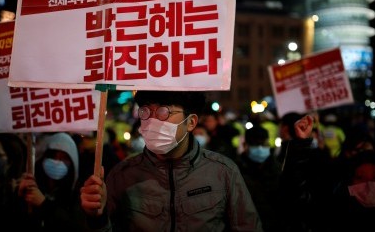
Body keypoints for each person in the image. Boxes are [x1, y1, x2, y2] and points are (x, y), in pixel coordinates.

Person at [80, 90, 263, 231]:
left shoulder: (223, 172)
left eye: (163, 112)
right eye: (145, 111)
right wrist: (97, 218)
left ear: (190, 122)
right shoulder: (122, 175)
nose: (151, 121)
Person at [18, 132, 86, 231]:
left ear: (73, 163)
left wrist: (44, 204)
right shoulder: (33, 185)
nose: (57, 161)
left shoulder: (78, 194)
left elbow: (74, 225)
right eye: (53, 156)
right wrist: (20, 197)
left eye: (64, 158)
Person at [239, 124, 283, 232]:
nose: (260, 148)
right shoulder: (236, 169)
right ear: (245, 146)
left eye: (263, 144)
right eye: (255, 144)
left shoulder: (277, 167)